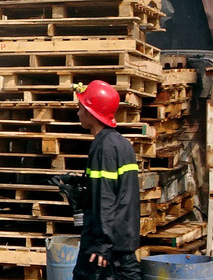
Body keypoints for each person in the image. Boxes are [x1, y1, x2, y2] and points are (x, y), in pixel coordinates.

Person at [72, 80, 141, 280]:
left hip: (104, 247)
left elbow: (106, 196)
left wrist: (103, 242)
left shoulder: (104, 148)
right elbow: (122, 194)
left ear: (90, 112)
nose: (78, 113)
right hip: (123, 240)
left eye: (80, 108)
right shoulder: (122, 144)